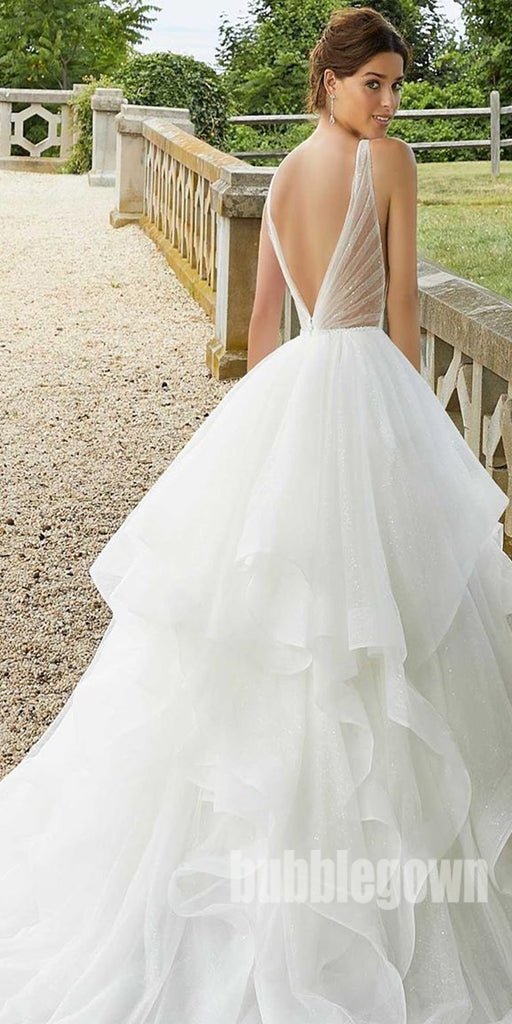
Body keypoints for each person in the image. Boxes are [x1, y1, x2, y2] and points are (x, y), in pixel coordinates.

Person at [1, 5, 512, 1022]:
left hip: (291, 398)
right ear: (328, 82)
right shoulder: (390, 164)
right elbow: (401, 314)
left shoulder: (278, 177)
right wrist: (409, 438)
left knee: (277, 628)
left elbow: (263, 328)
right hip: (367, 387)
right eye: (372, 82)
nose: (388, 102)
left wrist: (273, 444)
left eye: (396, 86)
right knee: (384, 630)